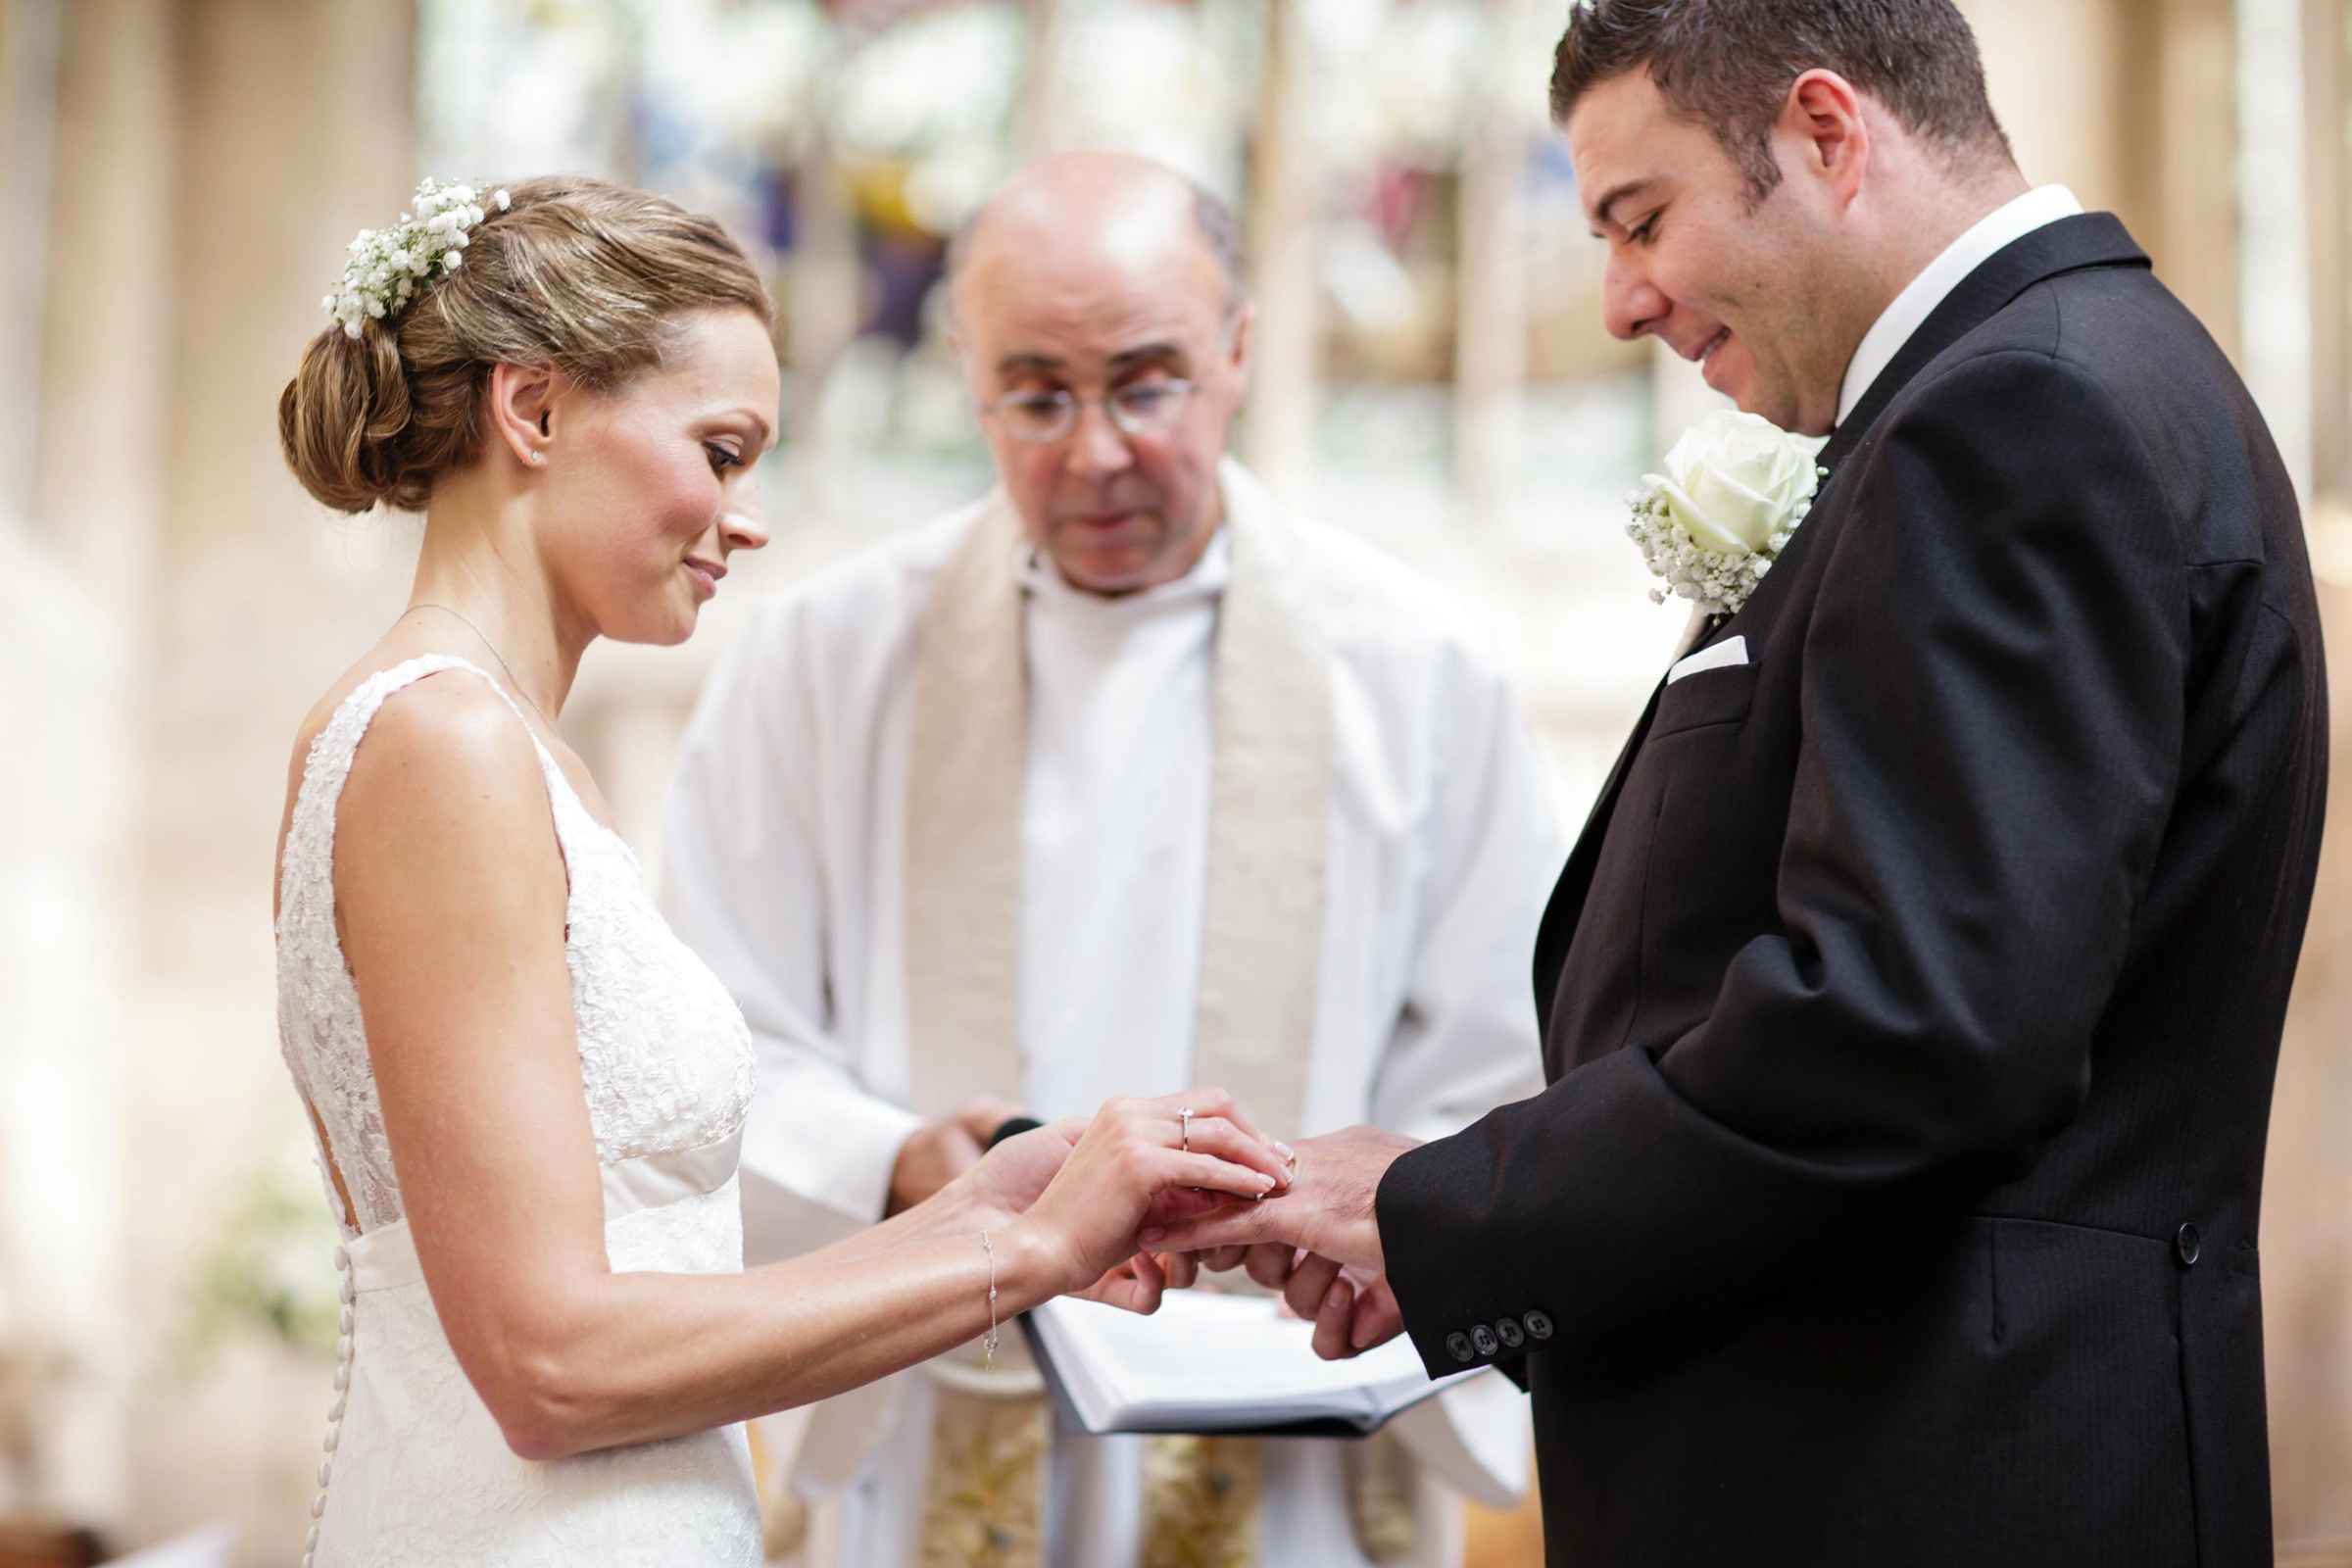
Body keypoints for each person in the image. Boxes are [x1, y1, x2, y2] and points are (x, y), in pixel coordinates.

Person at [1149, 3, 2331, 1563]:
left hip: (1930, 1484)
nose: (1623, 300)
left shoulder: (2016, 412)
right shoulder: (2052, 380)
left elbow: (1906, 1028)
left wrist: (1450, 1209)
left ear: (1828, 134)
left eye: (1643, 220)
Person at [270, 173, 1291, 1568]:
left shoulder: (517, 749)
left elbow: (653, 1267)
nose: (746, 518)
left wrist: (990, 1205)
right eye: (723, 449)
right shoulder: (443, 741)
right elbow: (553, 1363)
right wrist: (1030, 1262)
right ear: (536, 410)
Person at [661, 150, 1559, 1567]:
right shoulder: (822, 660)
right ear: (965, 371)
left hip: (1297, 1431)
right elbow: (713, 1038)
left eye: (1146, 385)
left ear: (1241, 353)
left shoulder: (1415, 667)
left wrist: (1355, 1211)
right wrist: (900, 1160)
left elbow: (1505, 1060)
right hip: (934, 1403)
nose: (1091, 452)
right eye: (1034, 394)